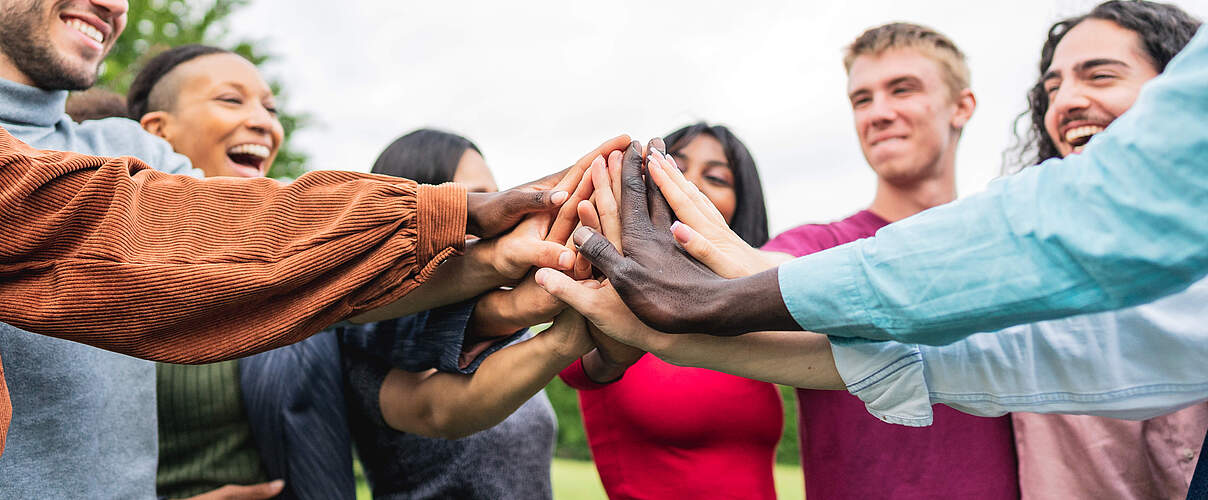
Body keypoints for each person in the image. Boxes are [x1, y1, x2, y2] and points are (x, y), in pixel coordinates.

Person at [0, 2, 626, 496]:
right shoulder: (82, 177)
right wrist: (454, 211)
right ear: (158, 130)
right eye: (230, 99)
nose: (111, 3)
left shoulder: (115, 147)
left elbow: (301, 268)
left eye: (271, 106)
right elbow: (178, 231)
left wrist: (522, 274)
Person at [340, 129, 573, 499]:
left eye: (496, 196)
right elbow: (436, 411)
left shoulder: (511, 334)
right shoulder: (361, 338)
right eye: (474, 203)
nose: (497, 217)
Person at [558, 124, 784, 500]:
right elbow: (582, 364)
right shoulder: (613, 292)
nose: (689, 183)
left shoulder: (750, 316)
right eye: (672, 167)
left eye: (715, 177)